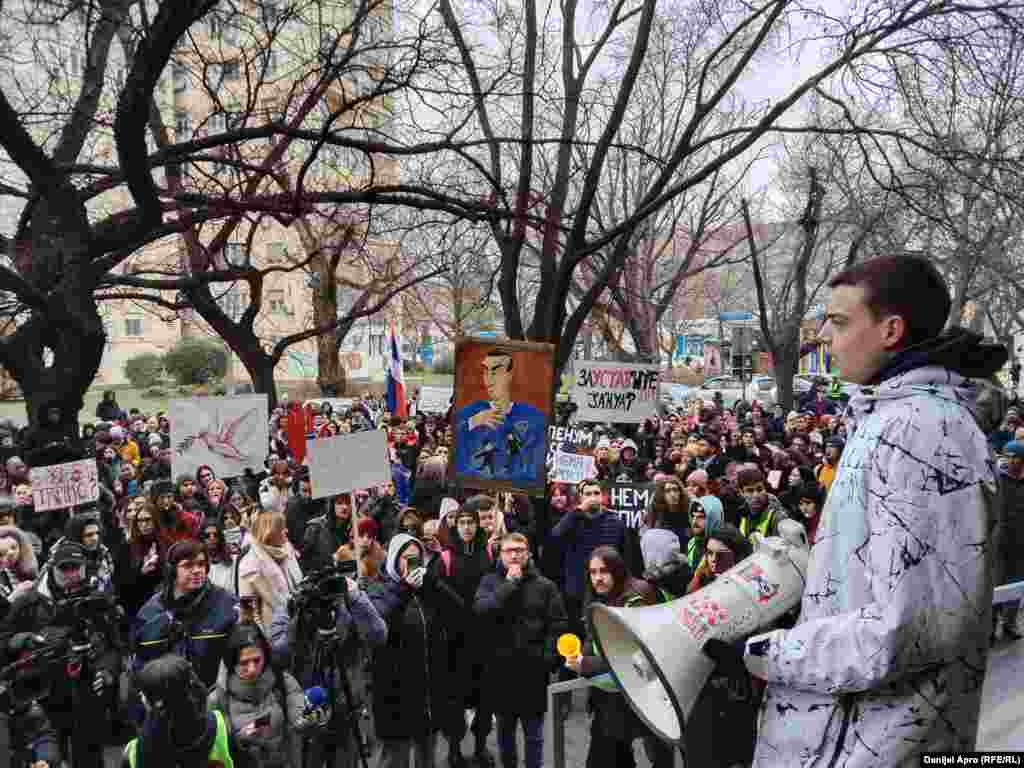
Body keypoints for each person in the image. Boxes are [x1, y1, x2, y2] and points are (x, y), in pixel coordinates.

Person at [736, 255, 1005, 765]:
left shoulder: (921, 430)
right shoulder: (895, 417)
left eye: (838, 322)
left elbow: (904, 630)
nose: (824, 338)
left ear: (891, 330)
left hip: (869, 744)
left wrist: (764, 653)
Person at [1, 541, 122, 768]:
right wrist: (24, 640)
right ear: (52, 569)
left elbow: (115, 647)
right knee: (50, 759)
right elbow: (4, 644)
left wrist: (107, 671)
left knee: (89, 758)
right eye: (64, 569)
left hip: (87, 696)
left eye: (75, 567)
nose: (71, 574)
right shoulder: (28, 603)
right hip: (43, 698)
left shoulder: (97, 600)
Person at [270, 552, 388, 768]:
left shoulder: (349, 603)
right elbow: (277, 655)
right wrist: (301, 621)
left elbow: (378, 635)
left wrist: (355, 596)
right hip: (308, 709)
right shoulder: (292, 606)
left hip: (346, 706)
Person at [565, 546, 672, 768]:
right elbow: (592, 636)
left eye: (603, 571)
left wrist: (585, 664)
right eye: (592, 572)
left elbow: (633, 654)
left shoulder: (635, 598)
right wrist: (581, 656)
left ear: (616, 570)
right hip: (612, 697)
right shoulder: (601, 596)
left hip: (640, 694)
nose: (597, 578)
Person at [366, 533, 464, 768]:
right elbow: (380, 623)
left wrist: (433, 583)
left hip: (428, 692)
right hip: (395, 693)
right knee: (396, 759)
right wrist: (404, 589)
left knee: (427, 756)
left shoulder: (426, 588)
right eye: (407, 558)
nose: (413, 563)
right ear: (393, 559)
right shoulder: (378, 588)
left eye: (418, 558)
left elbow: (459, 611)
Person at [474, 532, 566, 768]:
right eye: (509, 550)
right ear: (500, 554)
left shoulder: (545, 586)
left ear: (528, 554)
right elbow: (481, 611)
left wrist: (547, 659)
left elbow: (557, 625)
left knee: (534, 735)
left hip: (533, 672)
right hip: (500, 672)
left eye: (520, 550)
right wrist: (509, 585)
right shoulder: (489, 581)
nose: (514, 555)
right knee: (505, 734)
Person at [131, 539, 238, 690]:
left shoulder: (227, 604)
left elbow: (241, 656)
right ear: (172, 570)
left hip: (214, 697)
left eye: (201, 564)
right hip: (168, 699)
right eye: (188, 565)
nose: (196, 570)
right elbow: (140, 662)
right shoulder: (151, 611)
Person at [209, 624, 306, 768]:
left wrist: (306, 720)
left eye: (256, 660)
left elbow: (300, 716)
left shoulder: (282, 681)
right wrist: (237, 739)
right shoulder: (216, 699)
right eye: (244, 663)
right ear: (232, 663)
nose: (252, 669)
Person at [122, 655, 238, 768]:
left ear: (158, 704)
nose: (141, 694)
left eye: (145, 692)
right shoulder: (220, 729)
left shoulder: (135, 752)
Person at [454, 349, 547, 484]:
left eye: (496, 372)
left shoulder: (533, 416)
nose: (489, 379)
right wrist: (472, 422)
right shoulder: (468, 413)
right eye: (486, 371)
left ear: (510, 375)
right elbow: (453, 452)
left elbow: (536, 463)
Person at [237, 510, 303, 635]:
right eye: (282, 528)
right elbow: (250, 612)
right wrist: (265, 641)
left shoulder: (287, 549)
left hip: (300, 623)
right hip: (274, 632)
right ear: (271, 532)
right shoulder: (249, 564)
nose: (286, 531)